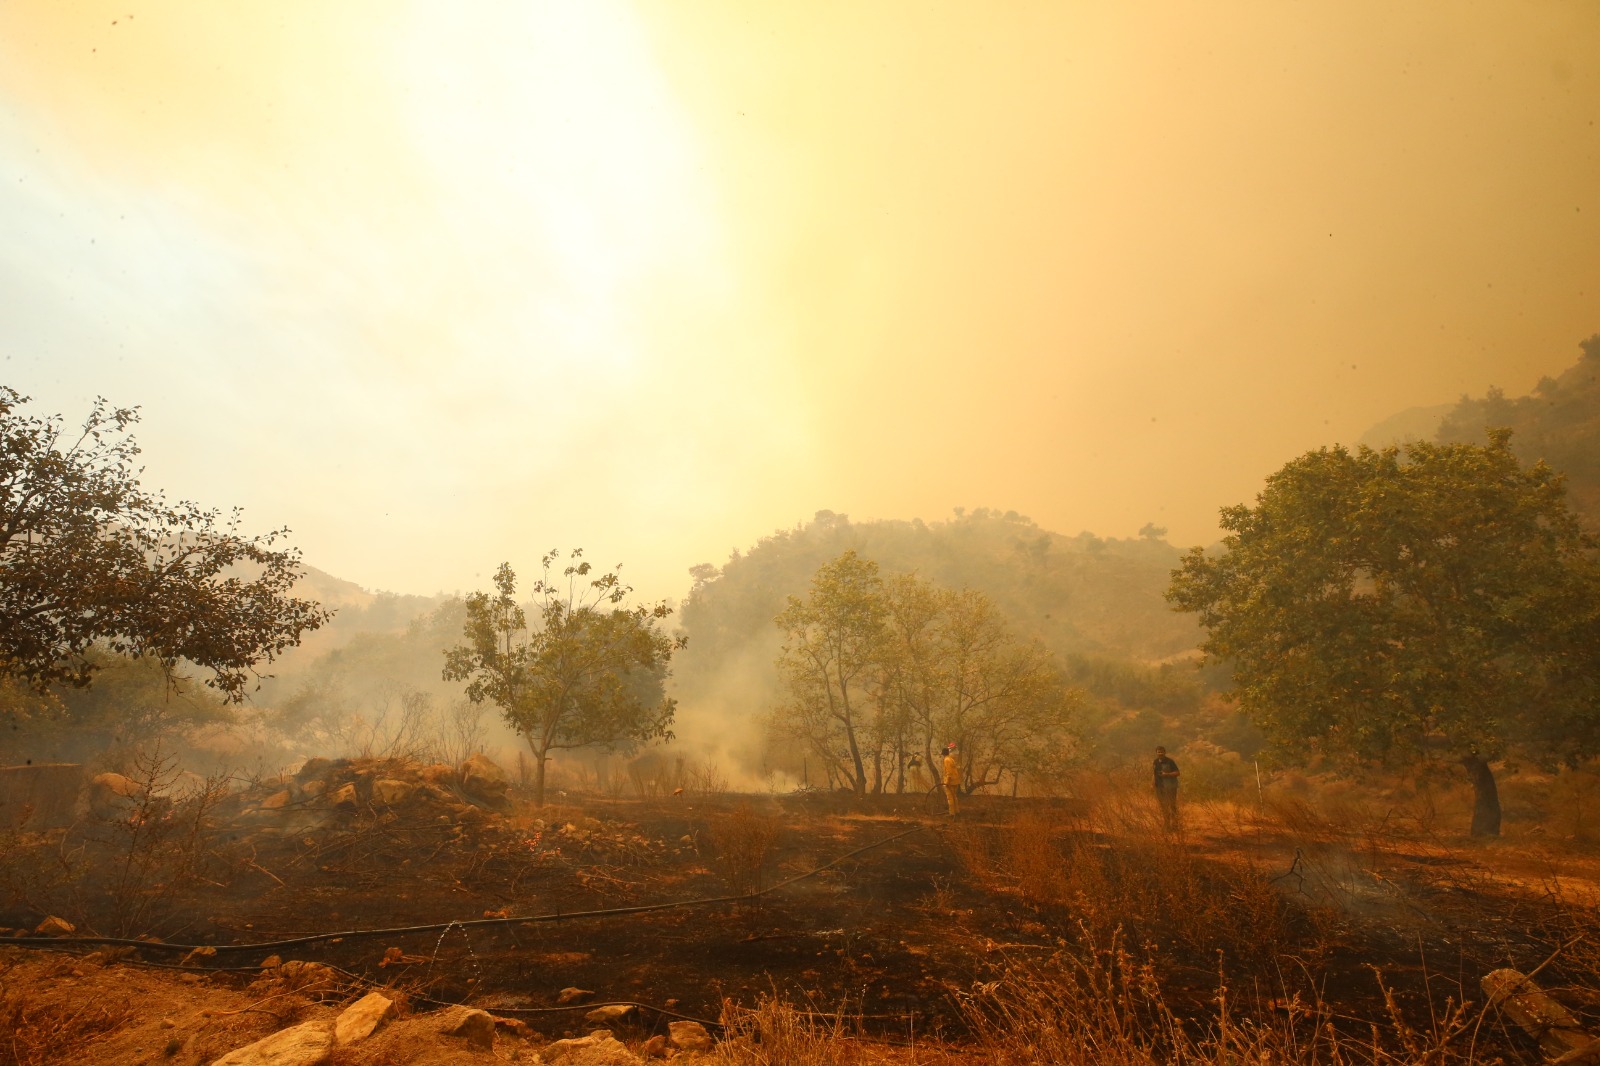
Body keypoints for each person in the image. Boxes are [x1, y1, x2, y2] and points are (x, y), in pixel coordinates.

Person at [1152, 746, 1180, 830]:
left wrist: (1167, 775)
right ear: (1156, 753)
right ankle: (1166, 825)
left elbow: (1177, 773)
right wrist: (1152, 783)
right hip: (1159, 787)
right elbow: (1154, 774)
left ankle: (1175, 825)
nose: (1160, 753)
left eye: (1161, 752)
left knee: (1172, 805)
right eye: (1158, 752)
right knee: (1163, 806)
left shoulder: (1170, 761)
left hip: (1170, 787)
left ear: (1165, 752)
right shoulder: (1155, 762)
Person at [941, 742, 961, 817]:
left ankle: (952, 813)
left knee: (950, 798)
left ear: (943, 754)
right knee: (954, 796)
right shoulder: (951, 759)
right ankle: (957, 811)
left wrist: (947, 782)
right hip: (955, 781)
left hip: (950, 782)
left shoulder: (946, 760)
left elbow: (949, 772)